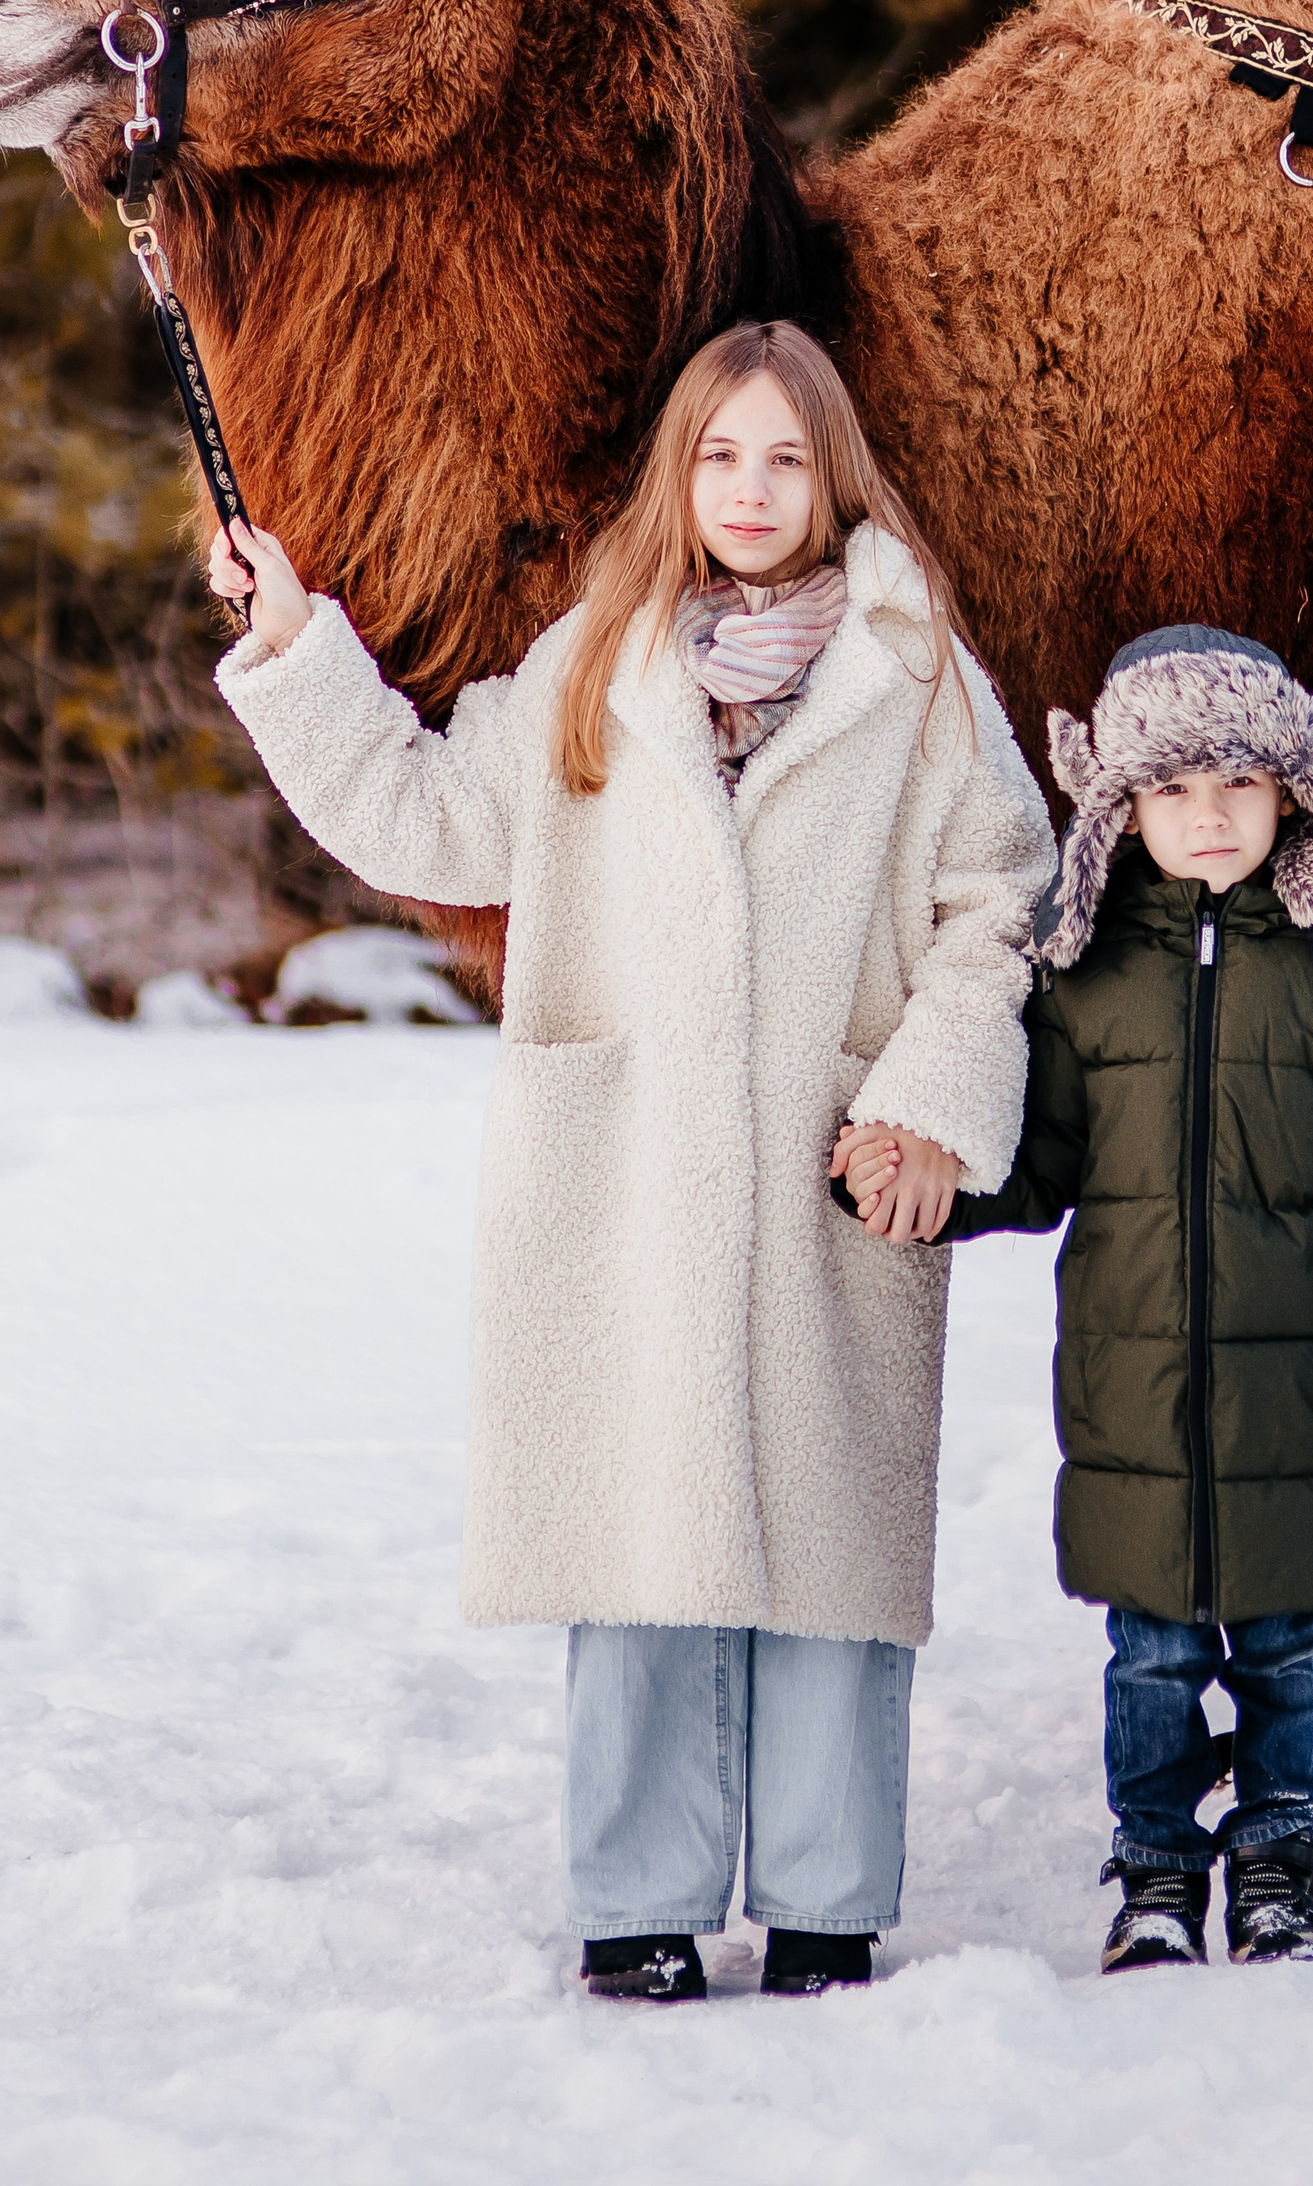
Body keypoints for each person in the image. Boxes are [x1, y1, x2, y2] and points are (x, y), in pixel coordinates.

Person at [205, 319, 1051, 2001]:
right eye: (722, 455)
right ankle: (639, 1898)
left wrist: (931, 1102)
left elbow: (998, 903)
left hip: (833, 1169)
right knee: (638, 1533)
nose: (752, 488)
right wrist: (295, 643)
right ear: (680, 474)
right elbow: (424, 816)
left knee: (831, 1552)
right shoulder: (595, 666)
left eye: (787, 458)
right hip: (632, 1175)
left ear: (835, 479)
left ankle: (826, 1902)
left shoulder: (921, 681)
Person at [841, 624, 1313, 1972]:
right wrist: (929, 1176)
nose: (1207, 817)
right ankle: (1154, 1869)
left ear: (1294, 793)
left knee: (1292, 1658)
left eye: (1238, 784)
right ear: (1120, 811)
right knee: (1150, 1661)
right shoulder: (1086, 979)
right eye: (1170, 789)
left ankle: (1275, 1863)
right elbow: (1040, 1156)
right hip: (1141, 1401)